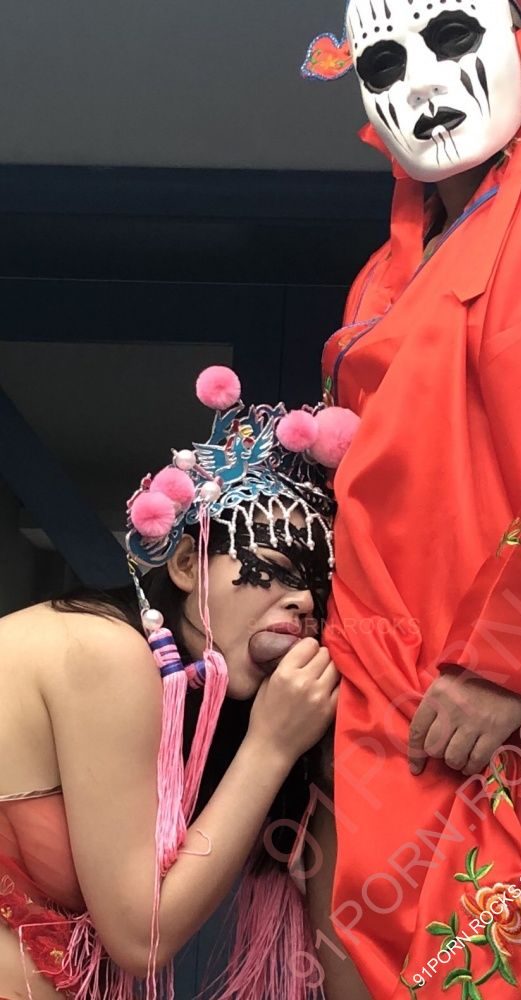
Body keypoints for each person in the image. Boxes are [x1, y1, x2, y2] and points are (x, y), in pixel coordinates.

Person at [300, 1, 521, 998]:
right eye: (382, 62)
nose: (420, 82)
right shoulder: (378, 280)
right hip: (379, 682)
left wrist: (511, 665)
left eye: (451, 37)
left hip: (515, 694)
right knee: (378, 957)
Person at [0, 364, 359, 1000]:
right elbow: (143, 939)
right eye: (275, 568)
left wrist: (308, 754)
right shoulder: (102, 650)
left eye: (317, 588)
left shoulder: (191, 705)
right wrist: (271, 745)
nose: (303, 601)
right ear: (189, 564)